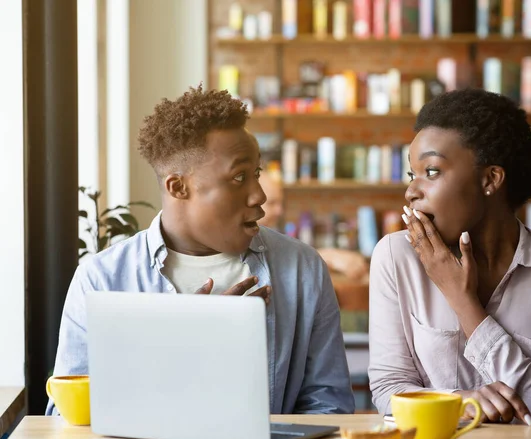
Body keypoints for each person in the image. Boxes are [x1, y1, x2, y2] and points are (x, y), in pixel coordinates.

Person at [47, 84, 354, 415]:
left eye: (256, 174)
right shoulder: (102, 281)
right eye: (239, 178)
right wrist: (187, 345)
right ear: (178, 187)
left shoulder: (301, 269)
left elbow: (329, 405)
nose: (259, 195)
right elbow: (68, 419)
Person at [368, 88, 531, 439]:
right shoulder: (395, 257)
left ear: (491, 179)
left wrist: (463, 302)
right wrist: (462, 403)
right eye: (411, 174)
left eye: (431, 171)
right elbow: (388, 389)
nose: (412, 190)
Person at [258, 171, 369, 281]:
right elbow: (278, 265)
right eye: (271, 203)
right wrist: (330, 257)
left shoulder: (270, 235)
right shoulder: (248, 240)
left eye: (280, 203)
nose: (279, 211)